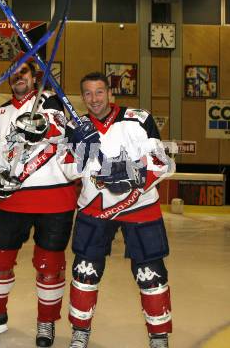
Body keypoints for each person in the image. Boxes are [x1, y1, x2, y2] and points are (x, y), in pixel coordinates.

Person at [0, 61, 78, 347]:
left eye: (24, 73)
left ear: (33, 76)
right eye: (14, 74)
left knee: (49, 264)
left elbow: (60, 129)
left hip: (54, 198)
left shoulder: (50, 101)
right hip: (13, 198)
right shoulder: (0, 113)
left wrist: (41, 126)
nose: (19, 78)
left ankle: (46, 321)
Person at [64, 72, 174, 348]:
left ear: (110, 94)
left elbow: (161, 162)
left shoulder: (138, 118)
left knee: (151, 273)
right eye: (87, 94)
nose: (94, 99)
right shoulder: (77, 126)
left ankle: (158, 335)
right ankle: (80, 331)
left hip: (139, 205)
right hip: (94, 207)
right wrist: (82, 148)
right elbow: (67, 171)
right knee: (85, 270)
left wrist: (134, 175)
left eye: (99, 92)